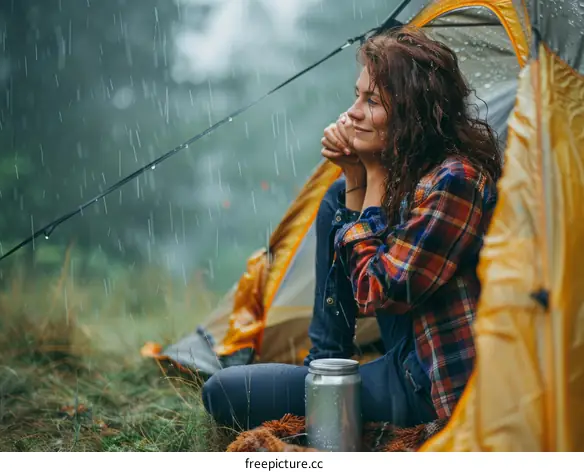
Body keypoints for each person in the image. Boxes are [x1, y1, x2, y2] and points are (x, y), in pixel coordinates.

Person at [201, 26, 502, 431]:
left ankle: (331, 391)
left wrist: (372, 174)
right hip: (407, 351)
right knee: (337, 196)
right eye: (357, 95)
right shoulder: (413, 172)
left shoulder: (456, 180)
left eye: (372, 101)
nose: (352, 113)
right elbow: (369, 278)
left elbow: (376, 293)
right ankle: (325, 364)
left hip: (431, 385)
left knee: (225, 392)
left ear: (412, 111)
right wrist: (357, 177)